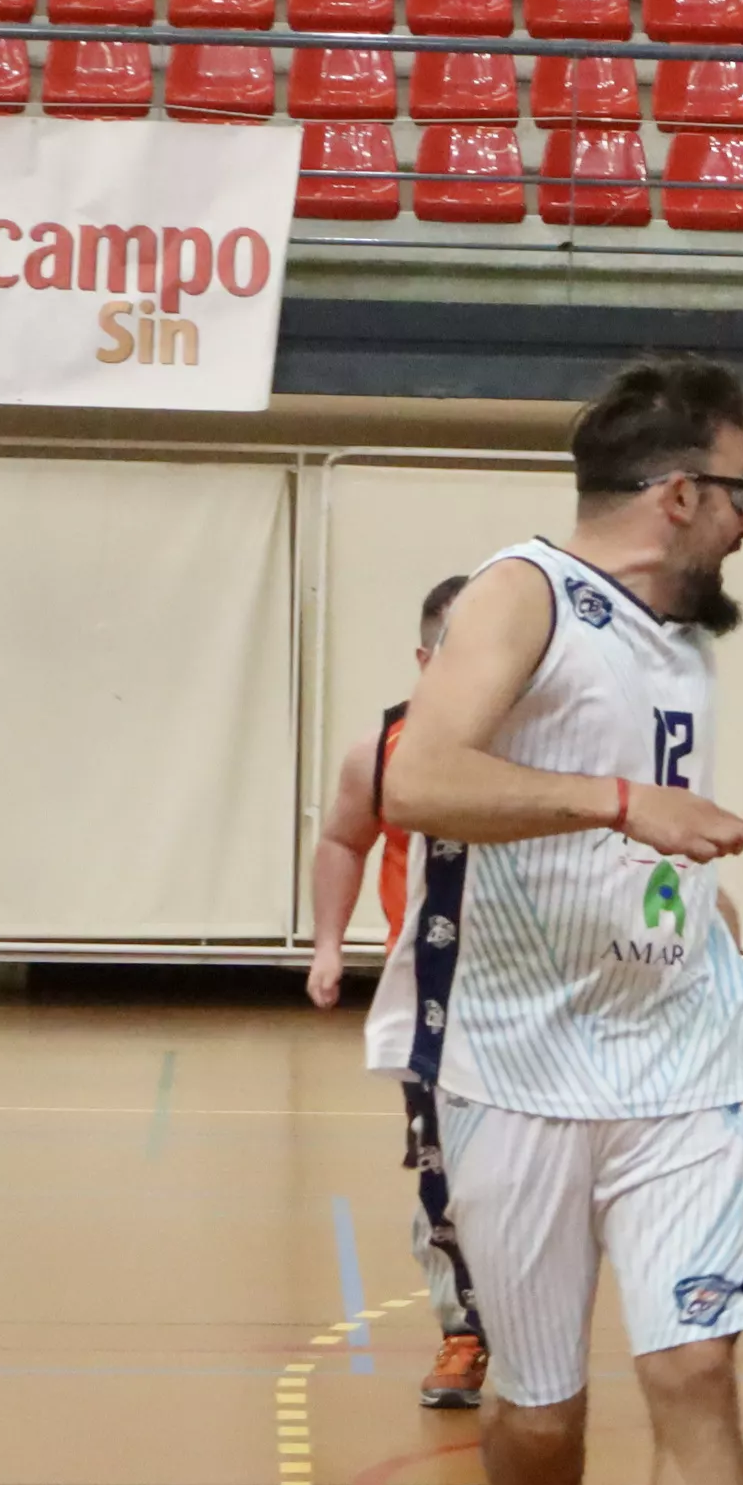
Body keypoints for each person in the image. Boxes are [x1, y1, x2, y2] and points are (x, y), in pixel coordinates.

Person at [379, 351, 743, 1485]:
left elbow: (645, 831)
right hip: (515, 1061)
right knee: (538, 1416)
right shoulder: (523, 594)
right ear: (680, 492)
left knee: (695, 1370)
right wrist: (627, 806)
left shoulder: (682, 634)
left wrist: (686, 898)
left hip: (679, 1057)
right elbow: (421, 780)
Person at [305, 572, 489, 1411]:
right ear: (425, 656)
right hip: (432, 999)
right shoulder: (380, 749)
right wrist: (329, 946)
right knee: (440, 1171)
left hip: (539, 997)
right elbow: (344, 839)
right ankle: (464, 1334)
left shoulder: (542, 742)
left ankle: (535, 1329)